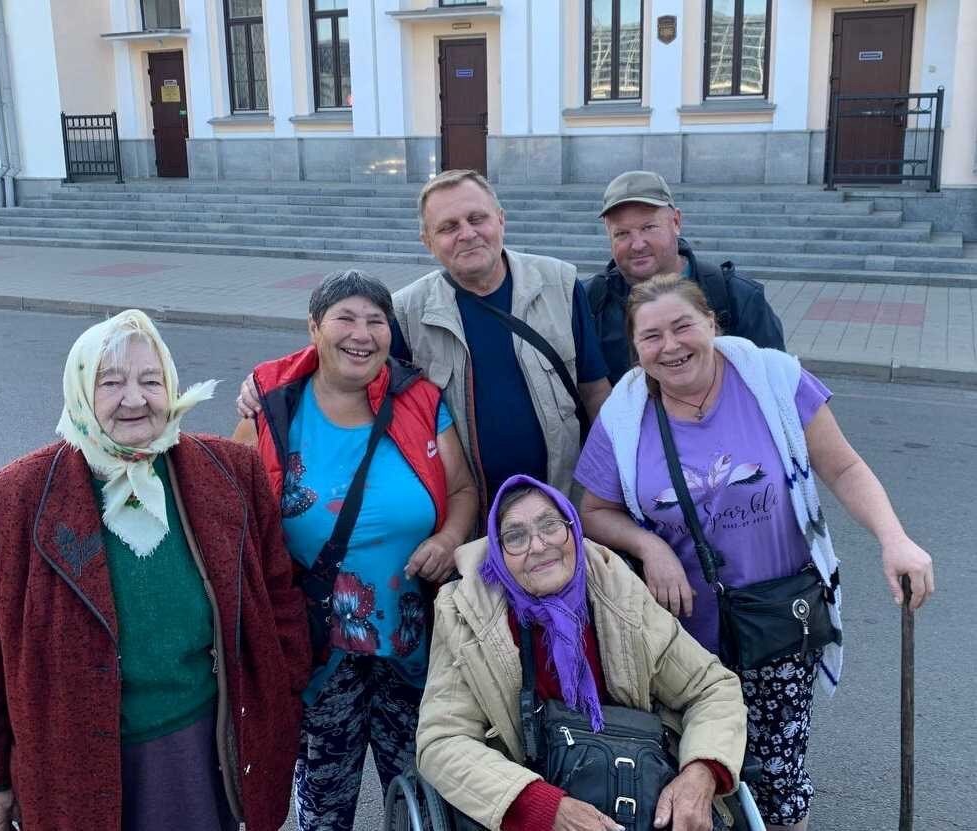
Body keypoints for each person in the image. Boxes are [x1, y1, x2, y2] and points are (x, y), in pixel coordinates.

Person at [576, 274, 935, 829]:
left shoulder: (773, 381)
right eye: (651, 337)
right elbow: (593, 510)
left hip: (777, 623)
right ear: (635, 348)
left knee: (777, 779)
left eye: (683, 326)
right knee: (687, 777)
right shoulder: (624, 417)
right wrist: (649, 546)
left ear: (711, 325)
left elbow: (843, 467)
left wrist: (895, 539)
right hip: (679, 636)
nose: (670, 346)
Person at [0, 309, 310, 831]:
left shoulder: (230, 471)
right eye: (110, 382)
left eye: (150, 380)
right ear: (78, 390)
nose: (135, 399)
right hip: (72, 761)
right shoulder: (10, 499)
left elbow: (278, 597)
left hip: (205, 744)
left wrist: (281, 696)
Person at [232, 270, 478, 831]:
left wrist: (446, 539)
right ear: (314, 327)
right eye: (345, 318)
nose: (361, 333)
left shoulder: (419, 399)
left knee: (420, 791)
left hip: (413, 643)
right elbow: (231, 505)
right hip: (318, 645)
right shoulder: (273, 405)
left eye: (375, 320)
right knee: (324, 800)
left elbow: (463, 489)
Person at [239, 170, 612, 512]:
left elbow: (595, 393)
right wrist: (265, 384)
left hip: (561, 505)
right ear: (427, 242)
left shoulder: (560, 284)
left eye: (477, 218)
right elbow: (354, 353)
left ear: (501, 219)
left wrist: (606, 494)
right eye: (448, 227)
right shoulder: (406, 311)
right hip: (467, 518)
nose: (467, 233)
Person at [416, 474, 747, 831]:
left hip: (632, 781)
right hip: (527, 791)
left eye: (550, 526)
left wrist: (701, 772)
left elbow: (712, 688)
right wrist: (542, 806)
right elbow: (443, 740)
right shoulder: (466, 614)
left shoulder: (618, 592)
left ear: (573, 529)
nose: (539, 546)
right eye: (515, 537)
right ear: (498, 554)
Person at [584, 170, 785, 384]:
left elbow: (778, 388)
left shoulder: (738, 298)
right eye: (622, 233)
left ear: (676, 222)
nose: (638, 244)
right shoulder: (589, 304)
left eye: (649, 227)